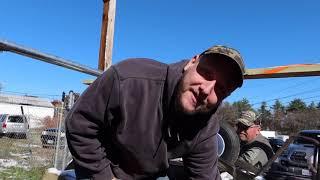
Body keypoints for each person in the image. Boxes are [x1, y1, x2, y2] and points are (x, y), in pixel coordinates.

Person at [65, 45, 245, 180]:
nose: (206, 90)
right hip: (98, 167)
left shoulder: (205, 125)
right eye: (206, 73)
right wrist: (104, 176)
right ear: (191, 62)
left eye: (220, 89)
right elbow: (80, 124)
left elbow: (204, 174)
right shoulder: (129, 80)